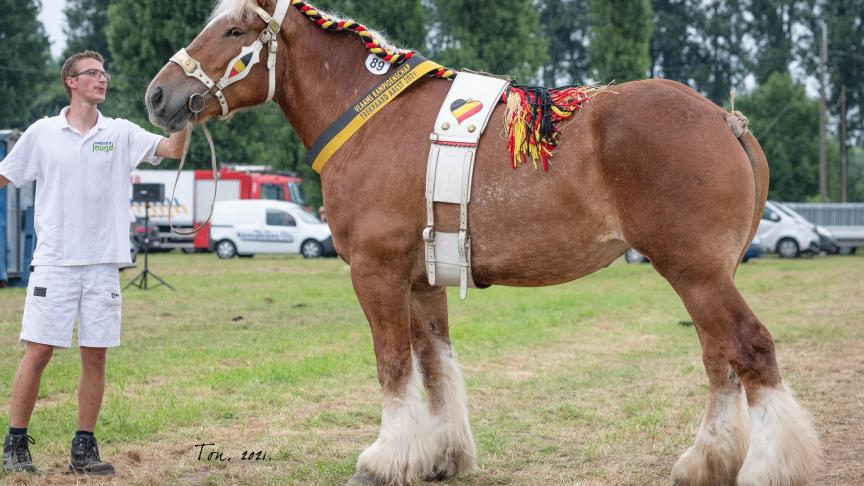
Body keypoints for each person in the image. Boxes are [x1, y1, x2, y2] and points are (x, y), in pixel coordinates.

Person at [0, 50, 188, 475]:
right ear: (71, 81)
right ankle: (15, 445)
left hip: (104, 264)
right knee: (38, 352)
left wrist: (186, 113)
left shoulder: (119, 132)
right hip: (54, 263)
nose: (102, 79)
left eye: (104, 73)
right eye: (92, 73)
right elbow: (5, 174)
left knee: (95, 357)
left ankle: (83, 450)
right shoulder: (43, 133)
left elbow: (173, 149)